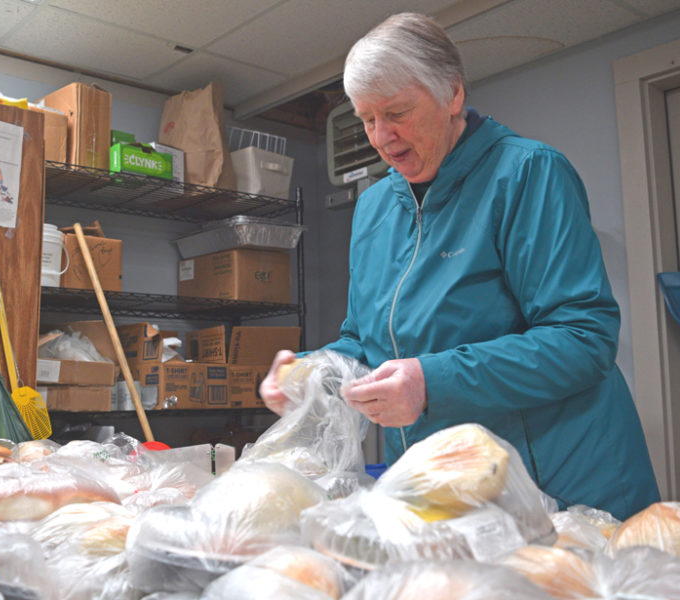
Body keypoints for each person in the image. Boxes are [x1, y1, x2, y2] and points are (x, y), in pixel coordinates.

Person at [260, 12, 659, 520]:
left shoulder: (527, 174)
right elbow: (365, 341)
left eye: (397, 112)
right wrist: (312, 375)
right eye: (366, 119)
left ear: (452, 95)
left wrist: (432, 383)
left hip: (559, 482)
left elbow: (583, 338)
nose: (381, 136)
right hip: (446, 487)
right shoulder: (376, 208)